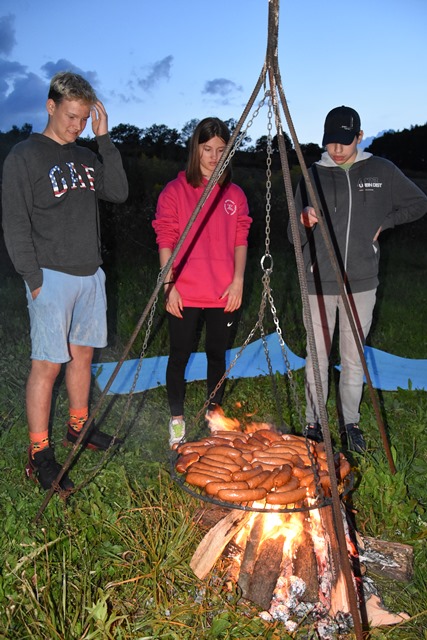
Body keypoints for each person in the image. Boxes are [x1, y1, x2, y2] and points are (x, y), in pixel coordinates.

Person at [2, 71, 129, 491]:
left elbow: (118, 191)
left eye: (84, 118)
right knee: (47, 365)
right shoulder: (24, 156)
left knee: (82, 357)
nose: (78, 125)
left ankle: (79, 427)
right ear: (51, 106)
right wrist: (33, 278)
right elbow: (15, 222)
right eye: (71, 116)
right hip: (50, 277)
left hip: (90, 274)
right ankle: (39, 451)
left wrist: (103, 139)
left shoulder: (86, 156)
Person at [290, 105, 427, 452]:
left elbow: (419, 202)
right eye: (330, 142)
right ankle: (314, 422)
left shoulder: (382, 170)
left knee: (353, 358)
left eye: (345, 141)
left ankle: (350, 423)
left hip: (362, 282)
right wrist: (303, 220)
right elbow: (292, 234)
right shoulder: (312, 175)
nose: (337, 150)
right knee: (317, 357)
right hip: (319, 282)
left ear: (360, 136)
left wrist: (386, 223)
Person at [153, 117, 252, 448]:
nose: (213, 157)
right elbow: (165, 238)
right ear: (195, 149)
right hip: (184, 290)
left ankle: (214, 415)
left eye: (220, 150)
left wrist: (238, 282)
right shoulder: (175, 191)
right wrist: (169, 286)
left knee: (216, 354)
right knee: (179, 354)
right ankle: (177, 419)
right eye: (207, 149)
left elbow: (240, 239)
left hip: (223, 291)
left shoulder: (234, 194)